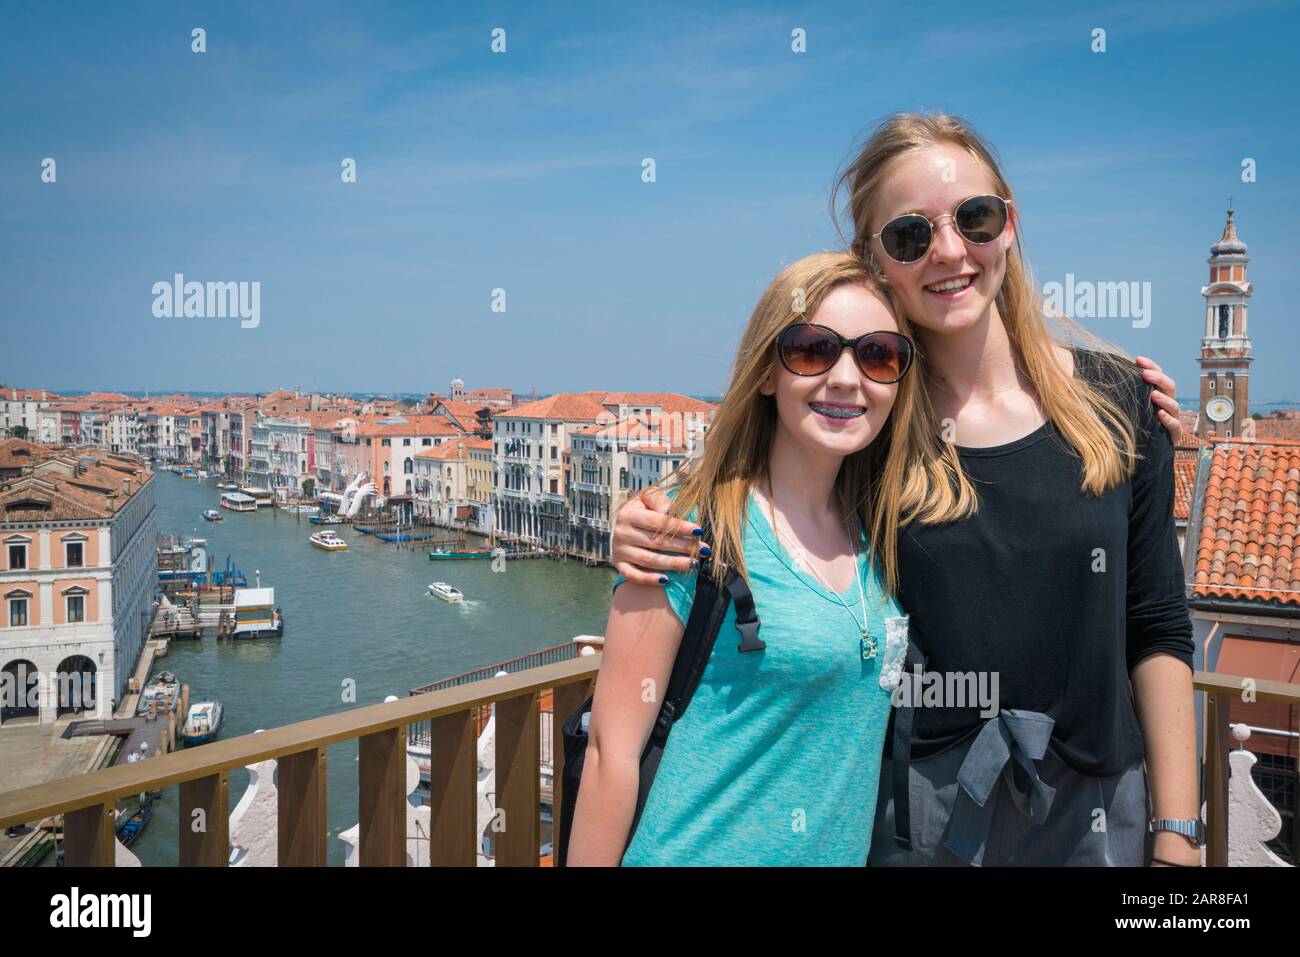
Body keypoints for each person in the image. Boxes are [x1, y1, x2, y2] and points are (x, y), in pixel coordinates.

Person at [610, 113, 1199, 867]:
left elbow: (1157, 623)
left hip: (1097, 810)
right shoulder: (870, 419)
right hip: (922, 816)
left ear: (1009, 225)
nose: (949, 251)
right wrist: (642, 521)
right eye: (912, 235)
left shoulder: (1119, 404)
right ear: (873, 256)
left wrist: (1177, 836)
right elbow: (759, 484)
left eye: (975, 219)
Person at [567, 252, 917, 865]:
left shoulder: (886, 532)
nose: (845, 377)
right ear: (765, 372)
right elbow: (609, 756)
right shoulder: (689, 525)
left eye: (877, 354)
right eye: (813, 349)